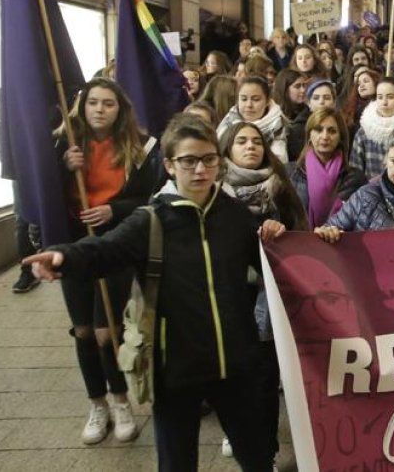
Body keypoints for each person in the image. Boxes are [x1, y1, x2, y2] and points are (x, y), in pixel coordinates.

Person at [24, 114, 284, 472]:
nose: (199, 169)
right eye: (188, 160)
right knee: (176, 461)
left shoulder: (234, 215)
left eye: (208, 159)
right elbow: (105, 251)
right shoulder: (152, 220)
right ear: (169, 165)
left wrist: (275, 232)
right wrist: (64, 256)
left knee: (256, 457)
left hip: (235, 363)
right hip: (174, 367)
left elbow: (273, 261)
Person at [54, 79, 163, 445]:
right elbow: (44, 191)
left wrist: (113, 209)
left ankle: (120, 401)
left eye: (109, 104)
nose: (100, 109)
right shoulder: (65, 144)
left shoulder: (141, 148)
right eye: (93, 103)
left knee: (107, 332)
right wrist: (63, 166)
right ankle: (96, 404)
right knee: (83, 330)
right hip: (75, 245)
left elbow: (150, 198)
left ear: (121, 110)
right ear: (82, 107)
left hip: (116, 244)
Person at [218, 120, 307, 465]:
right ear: (227, 149)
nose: (251, 146)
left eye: (256, 141)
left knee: (265, 375)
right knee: (233, 375)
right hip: (228, 295)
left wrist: (281, 233)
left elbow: (301, 234)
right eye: (241, 141)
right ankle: (238, 431)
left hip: (267, 297)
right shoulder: (213, 192)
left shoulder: (281, 184)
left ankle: (266, 449)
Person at [288, 108, 367, 228]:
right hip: (300, 243)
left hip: (341, 243)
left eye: (332, 131)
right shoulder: (290, 174)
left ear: (341, 137)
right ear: (309, 134)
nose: (325, 136)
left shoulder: (355, 178)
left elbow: (361, 222)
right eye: (318, 130)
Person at [216, 76, 289, 162]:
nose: (249, 105)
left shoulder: (278, 127)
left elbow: (280, 162)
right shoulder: (227, 122)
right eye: (243, 99)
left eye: (256, 99)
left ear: (267, 101)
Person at [350, 77, 394, 179]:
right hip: (371, 190)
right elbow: (355, 170)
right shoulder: (364, 132)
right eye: (380, 97)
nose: (384, 102)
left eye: (390, 97)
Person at [287, 79, 337, 161]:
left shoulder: (342, 125)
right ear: (309, 103)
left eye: (327, 98)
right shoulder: (298, 128)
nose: (321, 102)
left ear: (334, 102)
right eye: (316, 98)